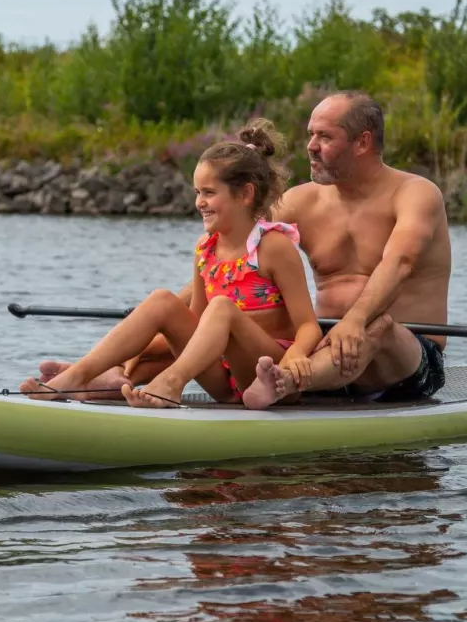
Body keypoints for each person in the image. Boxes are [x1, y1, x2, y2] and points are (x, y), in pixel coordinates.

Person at [19, 120, 321, 407]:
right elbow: (198, 328)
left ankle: (170, 384)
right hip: (223, 381)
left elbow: (308, 325)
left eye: (209, 193)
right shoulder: (206, 250)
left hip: (271, 377)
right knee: (162, 300)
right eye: (197, 193)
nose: (199, 202)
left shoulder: (274, 247)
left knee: (222, 307)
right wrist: (137, 351)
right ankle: (76, 376)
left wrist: (296, 355)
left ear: (245, 194)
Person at [249, 91, 452, 406]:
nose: (311, 146)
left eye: (325, 137)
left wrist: (355, 319)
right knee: (233, 312)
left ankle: (284, 382)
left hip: (404, 364)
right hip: (323, 350)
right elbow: (232, 253)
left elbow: (400, 262)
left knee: (378, 323)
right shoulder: (301, 201)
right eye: (310, 135)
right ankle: (150, 376)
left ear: (362, 142)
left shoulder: (416, 194)